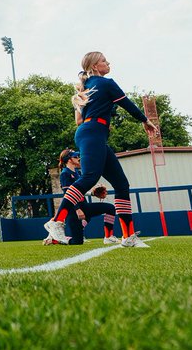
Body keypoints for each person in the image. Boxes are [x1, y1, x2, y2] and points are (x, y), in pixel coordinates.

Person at [43, 52, 156, 249]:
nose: (108, 62)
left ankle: (128, 236)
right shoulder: (106, 83)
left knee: (121, 184)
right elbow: (127, 104)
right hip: (93, 132)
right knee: (89, 178)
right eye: (104, 60)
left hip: (91, 133)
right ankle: (57, 221)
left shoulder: (85, 87)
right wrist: (145, 121)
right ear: (95, 66)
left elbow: (78, 120)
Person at [49, 148, 119, 246]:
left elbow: (80, 191)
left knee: (110, 208)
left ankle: (108, 237)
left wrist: (92, 193)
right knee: (77, 242)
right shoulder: (65, 173)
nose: (78, 158)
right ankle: (56, 239)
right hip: (73, 209)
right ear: (69, 160)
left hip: (83, 205)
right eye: (75, 156)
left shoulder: (77, 173)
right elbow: (67, 193)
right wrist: (77, 209)